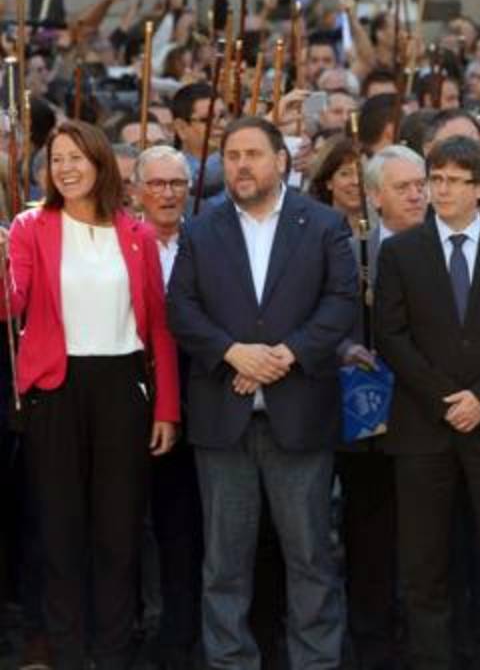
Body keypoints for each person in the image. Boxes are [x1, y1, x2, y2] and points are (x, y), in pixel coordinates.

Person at [166, 116, 357, 669]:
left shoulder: (322, 225)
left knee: (311, 557)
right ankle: (229, 661)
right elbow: (182, 308)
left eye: (252, 154)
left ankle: (315, 662)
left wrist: (283, 356)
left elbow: (340, 302)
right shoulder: (201, 228)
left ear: (281, 161)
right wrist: (233, 353)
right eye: (231, 156)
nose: (241, 165)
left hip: (298, 417)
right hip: (223, 420)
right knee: (224, 562)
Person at [1, 121, 180, 670]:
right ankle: (69, 653)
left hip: (123, 390)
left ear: (100, 163)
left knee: (120, 531)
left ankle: (113, 651)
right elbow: (11, 305)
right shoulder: (32, 226)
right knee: (59, 531)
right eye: (57, 160)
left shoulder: (137, 234)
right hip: (56, 390)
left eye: (77, 157)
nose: (67, 168)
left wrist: (167, 408)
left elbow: (157, 328)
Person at [374, 136, 480, 669]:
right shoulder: (400, 250)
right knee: (424, 563)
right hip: (423, 426)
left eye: (454, 180)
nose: (440, 189)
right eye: (436, 179)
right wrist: (446, 398)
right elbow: (391, 335)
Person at [336, 145, 428, 670]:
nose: (416, 195)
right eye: (402, 187)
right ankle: (372, 646)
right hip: (366, 417)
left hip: (430, 419)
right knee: (368, 538)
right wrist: (346, 347)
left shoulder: (445, 249)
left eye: (421, 184)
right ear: (373, 197)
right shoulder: (350, 251)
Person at [132, 145, 204, 668]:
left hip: (197, 406)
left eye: (176, 184)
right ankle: (127, 626)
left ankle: (180, 636)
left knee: (182, 528)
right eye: (156, 184)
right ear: (136, 190)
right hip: (125, 405)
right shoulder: (117, 245)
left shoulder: (208, 243)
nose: (167, 193)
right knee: (121, 526)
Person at [308, 135, 365, 233]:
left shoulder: (379, 228)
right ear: (329, 182)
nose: (356, 181)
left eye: (361, 173)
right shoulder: (313, 229)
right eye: (345, 174)